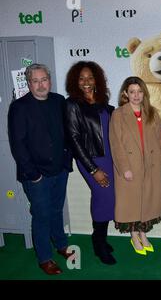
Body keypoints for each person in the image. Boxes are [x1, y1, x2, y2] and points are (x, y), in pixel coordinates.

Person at [8, 64, 73, 275]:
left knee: (57, 209)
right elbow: (18, 144)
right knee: (42, 215)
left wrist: (66, 162)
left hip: (59, 170)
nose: (40, 85)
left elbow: (67, 133)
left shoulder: (58, 101)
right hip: (37, 175)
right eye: (35, 81)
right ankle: (45, 258)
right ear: (29, 83)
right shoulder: (19, 107)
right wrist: (33, 174)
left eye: (43, 79)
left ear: (50, 80)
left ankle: (61, 244)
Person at [65, 61, 116, 265]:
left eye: (90, 77)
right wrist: (94, 170)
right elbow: (74, 139)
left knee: (110, 198)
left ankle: (101, 237)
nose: (86, 82)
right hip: (91, 160)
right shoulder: (72, 105)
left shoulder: (104, 103)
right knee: (102, 197)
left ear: (97, 80)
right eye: (81, 78)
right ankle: (98, 242)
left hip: (110, 158)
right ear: (75, 82)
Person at [109, 76, 161, 256]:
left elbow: (160, 138)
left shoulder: (152, 112)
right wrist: (124, 168)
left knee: (147, 202)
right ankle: (134, 235)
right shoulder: (118, 114)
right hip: (129, 168)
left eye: (139, 91)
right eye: (132, 92)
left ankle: (143, 233)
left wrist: (158, 157)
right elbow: (115, 144)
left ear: (144, 93)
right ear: (125, 93)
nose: (136, 95)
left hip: (150, 166)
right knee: (132, 204)